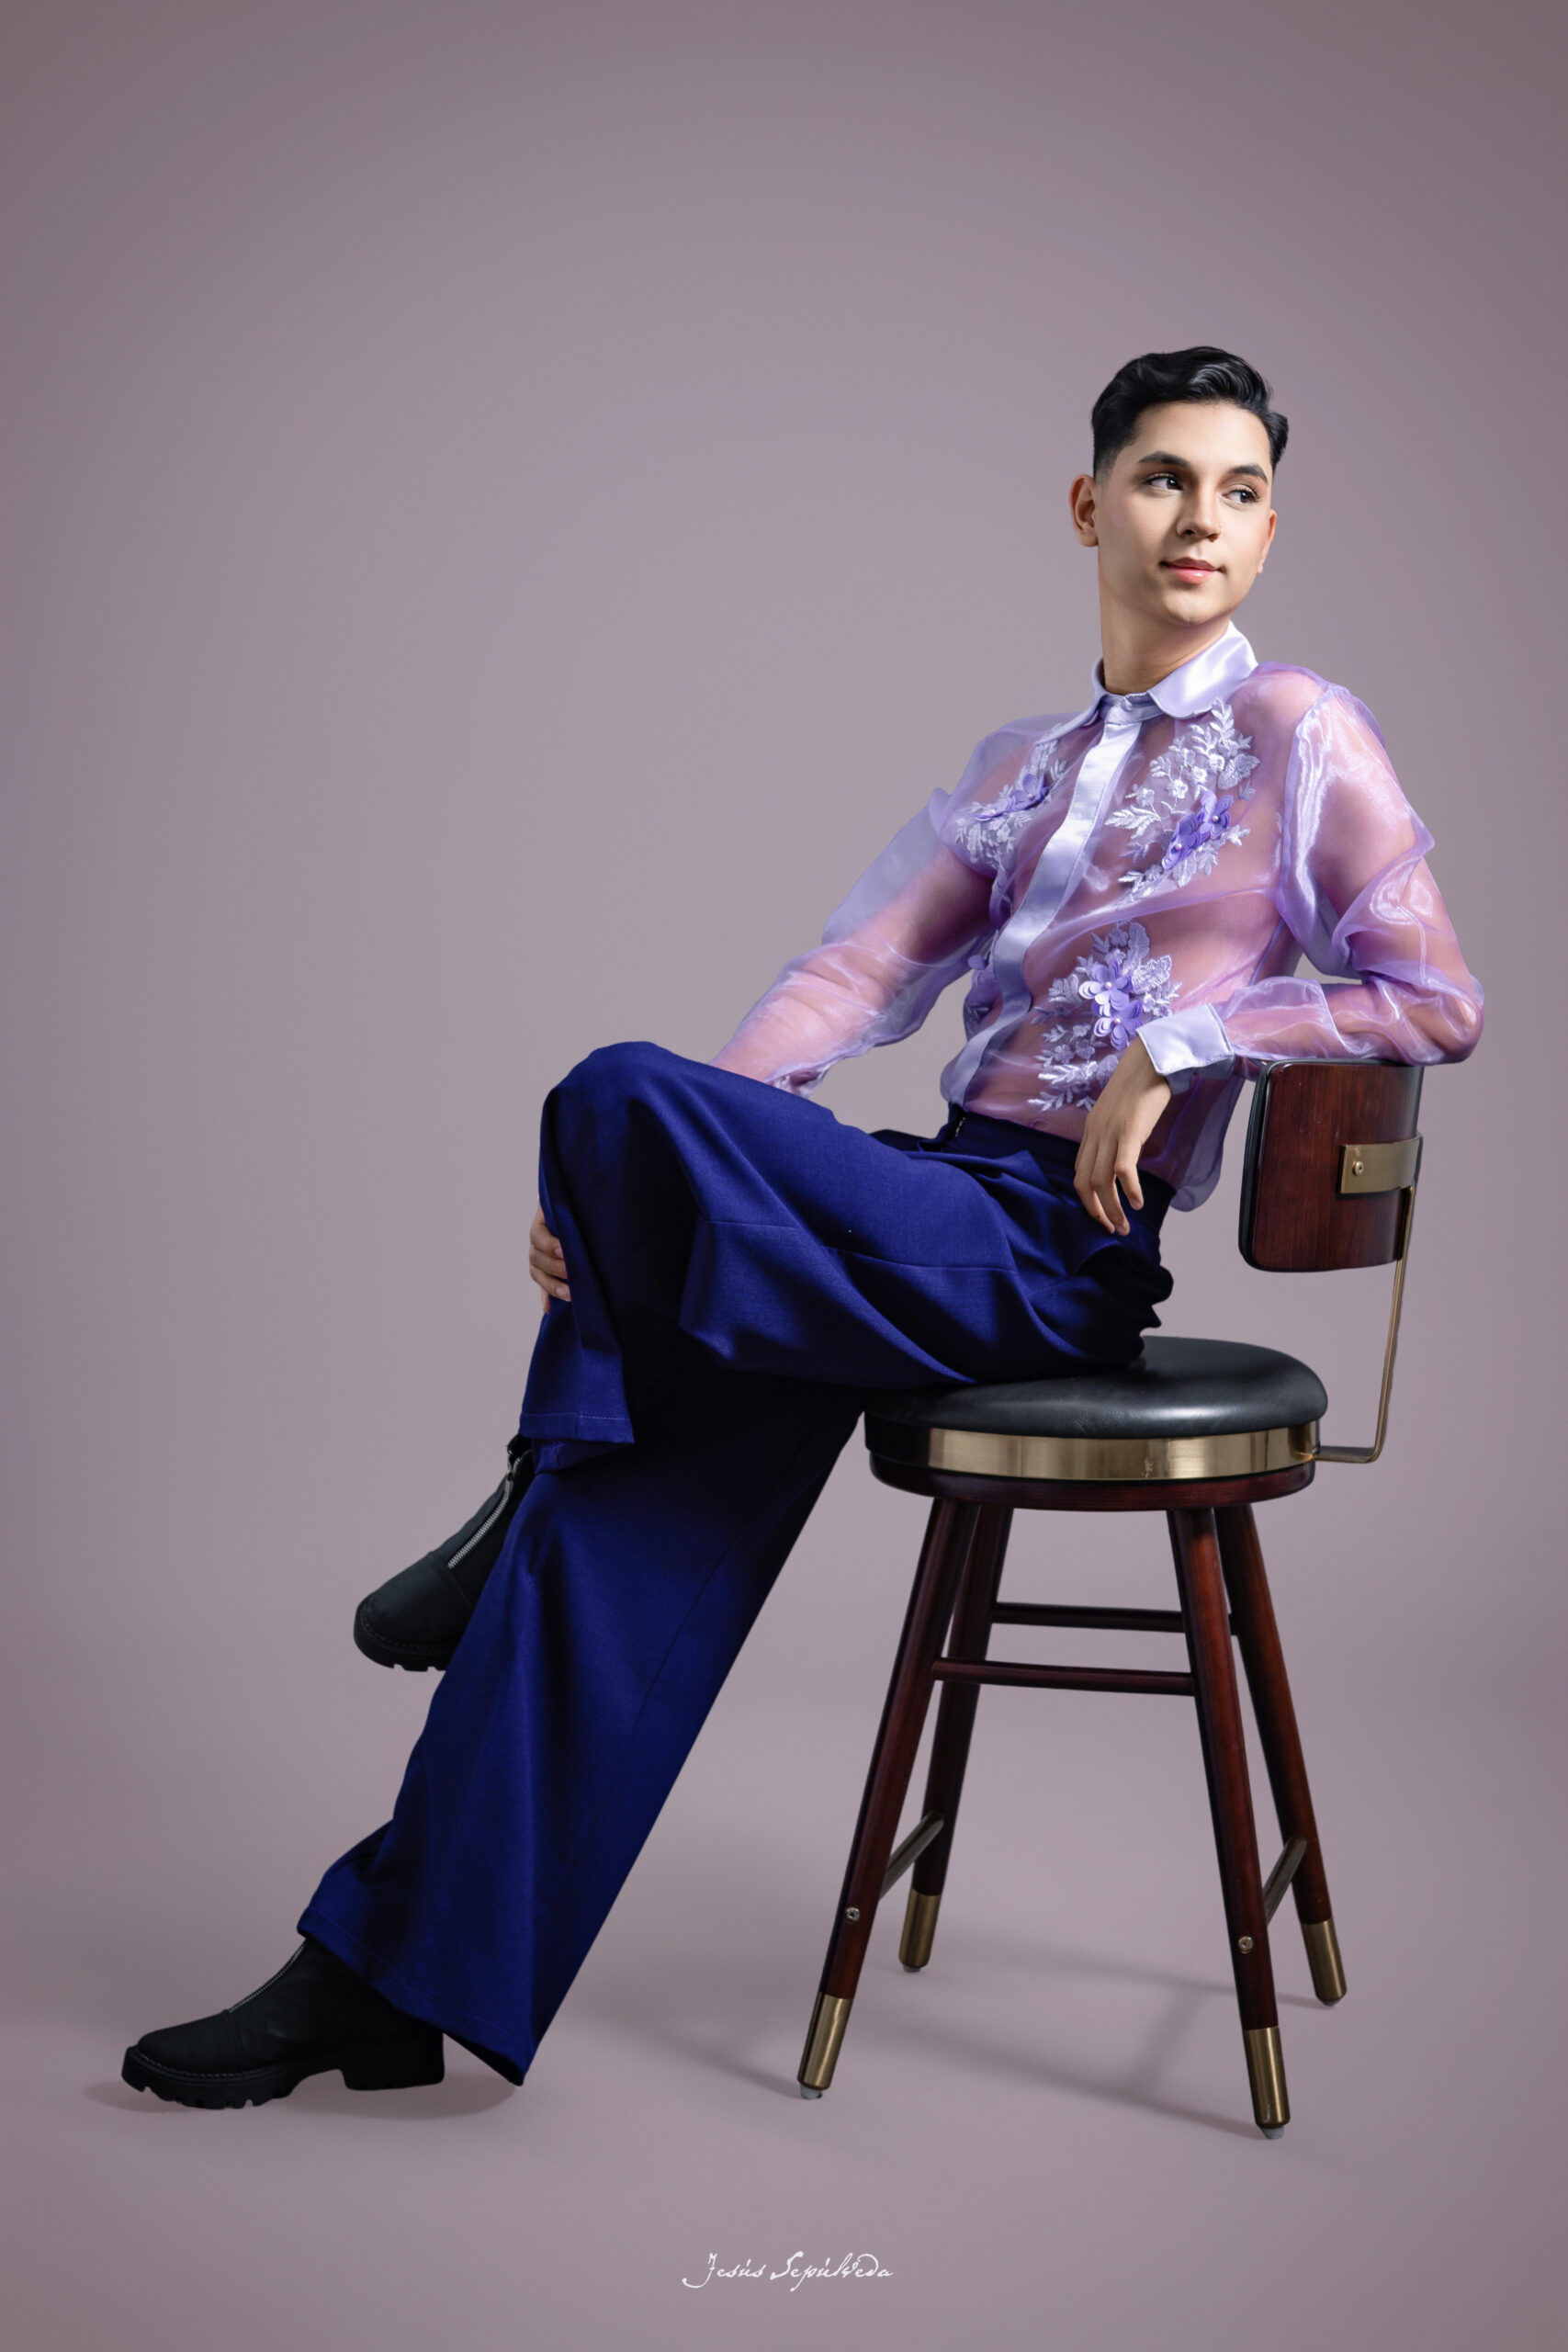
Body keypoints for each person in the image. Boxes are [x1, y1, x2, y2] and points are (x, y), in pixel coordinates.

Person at [121, 348, 1483, 2108]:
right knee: (620, 1468)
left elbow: (1433, 997)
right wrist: (647, 1188)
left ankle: (509, 1498)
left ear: (1271, 530)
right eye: (1163, 480)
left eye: (1238, 492)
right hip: (936, 1206)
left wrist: (1189, 1038)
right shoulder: (1021, 767)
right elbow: (851, 974)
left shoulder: (1302, 732)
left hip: (1053, 1260)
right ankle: (380, 1980)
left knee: (613, 1096)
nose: (1198, 521)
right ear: (1091, 505)